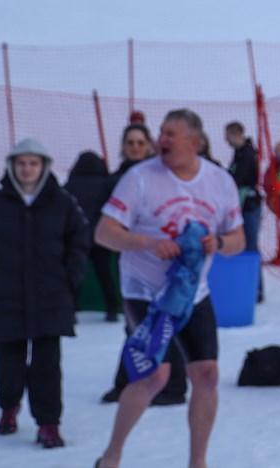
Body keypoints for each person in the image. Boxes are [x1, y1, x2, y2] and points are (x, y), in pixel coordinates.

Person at [94, 109, 245, 468]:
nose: (160, 139)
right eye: (160, 132)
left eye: (170, 134)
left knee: (207, 376)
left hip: (192, 292)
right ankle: (112, 455)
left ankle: (198, 461)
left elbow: (239, 239)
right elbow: (104, 233)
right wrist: (148, 242)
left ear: (195, 142)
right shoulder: (139, 177)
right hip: (146, 291)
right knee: (154, 376)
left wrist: (219, 243)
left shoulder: (220, 181)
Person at [0, 138, 89, 448]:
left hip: (51, 298)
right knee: (8, 365)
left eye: (34, 163)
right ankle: (9, 406)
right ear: (11, 166)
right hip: (7, 298)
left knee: (47, 365)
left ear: (44, 166)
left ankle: (48, 424)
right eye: (21, 163)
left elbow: (79, 241)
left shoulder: (62, 202)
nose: (27, 169)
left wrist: (68, 279)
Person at [100, 123, 191, 407]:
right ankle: (127, 382)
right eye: (130, 143)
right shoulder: (116, 179)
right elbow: (106, 224)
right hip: (132, 264)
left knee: (165, 322)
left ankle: (174, 386)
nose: (135, 148)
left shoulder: (163, 175)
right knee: (135, 325)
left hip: (165, 263)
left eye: (140, 142)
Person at [64, 150, 119, 321]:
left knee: (76, 275)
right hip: (100, 237)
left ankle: (72, 309)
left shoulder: (69, 186)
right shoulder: (106, 184)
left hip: (77, 239)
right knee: (105, 275)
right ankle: (112, 309)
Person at [225, 121, 264, 301]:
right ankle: (249, 286)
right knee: (244, 245)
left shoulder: (247, 154)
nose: (226, 140)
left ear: (236, 134)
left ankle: (256, 289)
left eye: (228, 135)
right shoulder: (240, 152)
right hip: (243, 204)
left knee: (250, 246)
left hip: (249, 205)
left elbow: (238, 179)